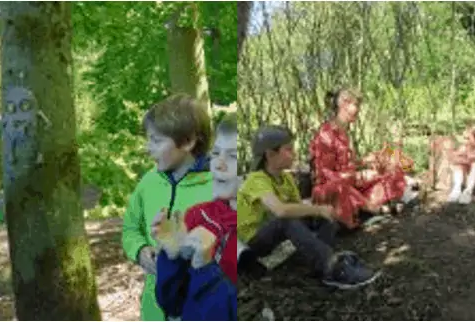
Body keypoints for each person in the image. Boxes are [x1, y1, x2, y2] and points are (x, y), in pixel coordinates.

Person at [239, 125, 378, 289]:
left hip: (276, 232)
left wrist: (321, 211)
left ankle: (324, 263)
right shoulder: (256, 180)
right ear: (270, 154)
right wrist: (317, 209)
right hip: (256, 239)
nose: (294, 154)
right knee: (287, 220)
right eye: (288, 149)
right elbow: (280, 210)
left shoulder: (286, 178)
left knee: (321, 216)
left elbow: (299, 209)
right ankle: (332, 267)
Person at [122, 94, 219, 321]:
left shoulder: (219, 187)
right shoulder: (148, 182)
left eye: (156, 141)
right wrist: (140, 251)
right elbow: (130, 229)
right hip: (154, 310)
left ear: (187, 142)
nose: (148, 149)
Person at [150, 120, 239, 320]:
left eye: (233, 156)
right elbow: (172, 305)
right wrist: (173, 258)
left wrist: (205, 268)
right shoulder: (197, 215)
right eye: (216, 153)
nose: (219, 163)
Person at [311, 88, 408, 230]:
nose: (358, 110)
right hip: (331, 190)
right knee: (339, 187)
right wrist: (357, 175)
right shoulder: (326, 134)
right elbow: (325, 175)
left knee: (392, 173)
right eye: (356, 105)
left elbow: (346, 164)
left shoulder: (345, 133)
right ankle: (372, 208)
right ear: (344, 104)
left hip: (351, 184)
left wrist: (365, 162)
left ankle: (362, 206)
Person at [446, 125, 475, 204]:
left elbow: (474, 160)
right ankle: (457, 189)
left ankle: (468, 192)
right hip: (467, 178)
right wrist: (460, 157)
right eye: (465, 138)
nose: (466, 141)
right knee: (458, 165)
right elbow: (454, 159)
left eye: (468, 138)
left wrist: (463, 158)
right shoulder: (465, 147)